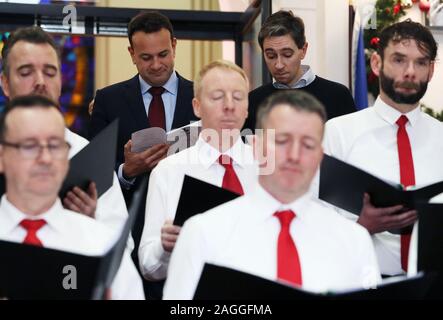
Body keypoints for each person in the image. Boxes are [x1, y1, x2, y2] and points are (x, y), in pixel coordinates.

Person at [163, 90, 380, 299]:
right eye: (282, 141)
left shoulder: (354, 241)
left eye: (308, 144)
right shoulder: (204, 233)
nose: (294, 155)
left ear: (320, 156)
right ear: (256, 148)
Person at [323, 20, 443, 276]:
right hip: (363, 280)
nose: (410, 72)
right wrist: (363, 226)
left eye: (421, 62)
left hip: (435, 282)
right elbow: (316, 217)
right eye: (399, 60)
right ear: (377, 63)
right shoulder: (338, 132)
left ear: (431, 71)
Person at [0, 95, 144, 299]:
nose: (45, 158)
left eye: (55, 145)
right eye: (29, 145)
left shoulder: (102, 246)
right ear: (2, 156)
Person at [138, 60, 258, 295]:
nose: (229, 106)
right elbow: (147, 266)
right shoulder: (168, 171)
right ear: (197, 106)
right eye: (217, 97)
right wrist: (164, 246)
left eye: (238, 97)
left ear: (246, 108)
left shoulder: (269, 169)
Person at [0, 26, 129, 234]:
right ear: (5, 83)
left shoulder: (89, 156)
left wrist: (90, 222)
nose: (40, 82)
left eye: (50, 72)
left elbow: (122, 246)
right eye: (26, 72)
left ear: (61, 81)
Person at [89, 11, 197, 204]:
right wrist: (126, 171)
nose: (156, 65)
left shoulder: (202, 96)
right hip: (130, 221)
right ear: (132, 53)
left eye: (163, 55)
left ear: (174, 46)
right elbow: (93, 172)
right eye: (146, 57)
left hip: (190, 217)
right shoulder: (107, 100)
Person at [243, 10, 356, 131]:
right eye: (271, 56)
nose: (279, 65)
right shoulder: (253, 101)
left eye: (287, 54)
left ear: (303, 50)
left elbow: (352, 146)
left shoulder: (338, 96)